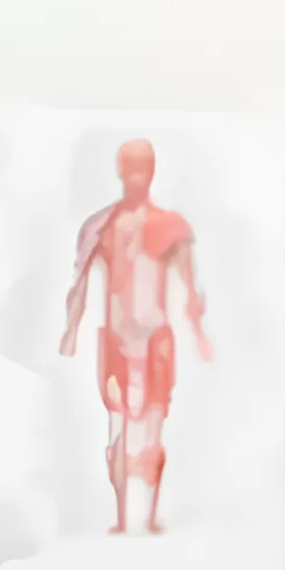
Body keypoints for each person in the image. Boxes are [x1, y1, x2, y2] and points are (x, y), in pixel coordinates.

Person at [57, 137, 212, 533]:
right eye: (130, 164)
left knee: (154, 424)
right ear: (120, 169)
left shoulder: (170, 227)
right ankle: (123, 518)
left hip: (157, 339)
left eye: (144, 164)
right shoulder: (102, 227)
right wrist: (71, 330)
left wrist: (199, 333)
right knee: (118, 427)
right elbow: (79, 281)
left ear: (154, 169)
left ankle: (151, 515)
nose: (137, 173)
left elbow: (189, 283)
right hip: (117, 343)